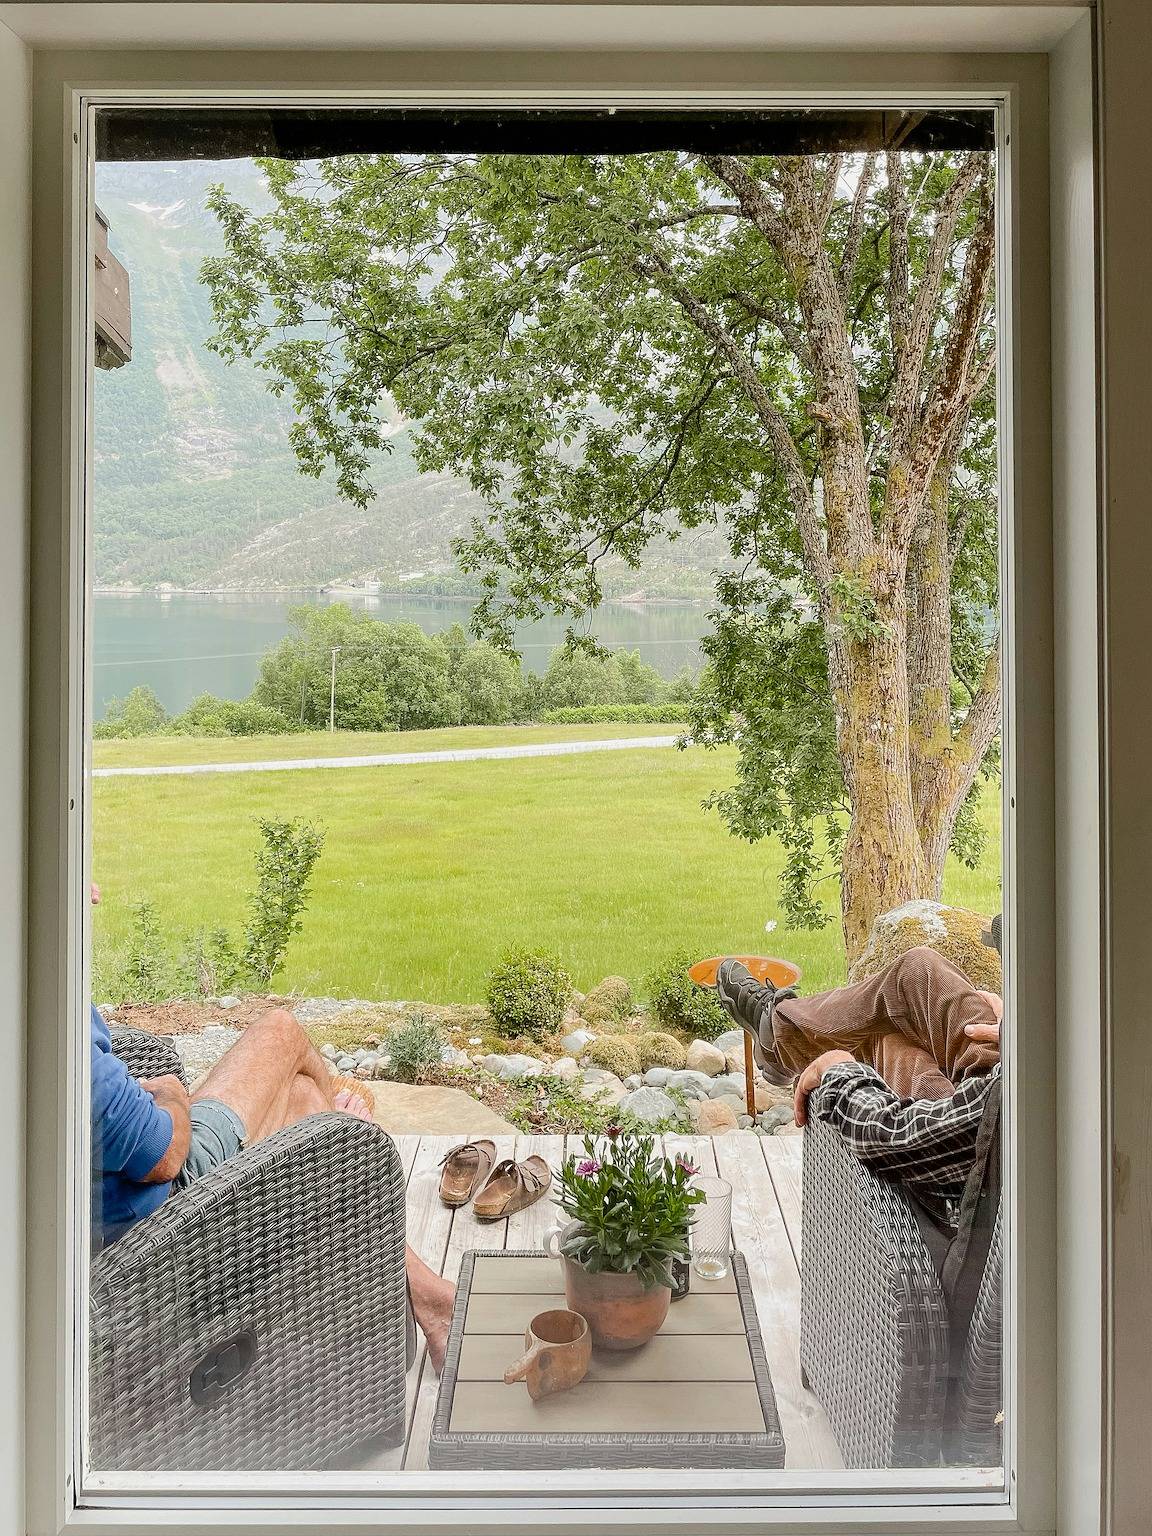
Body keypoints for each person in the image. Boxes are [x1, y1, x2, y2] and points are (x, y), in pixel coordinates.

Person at [90, 887, 455, 1370]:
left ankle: (417, 1287)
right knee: (283, 1033)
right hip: (160, 1215)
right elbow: (163, 1156)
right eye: (73, 877)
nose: (93, 894)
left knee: (302, 1100)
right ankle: (347, 1136)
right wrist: (172, 1093)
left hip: (101, 1202)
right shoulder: (53, 1016)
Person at [716, 945, 1003, 1215]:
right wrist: (1017, 1030)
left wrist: (839, 1073)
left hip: (975, 1170)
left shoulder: (1009, 1109)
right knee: (919, 969)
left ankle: (779, 1035)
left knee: (876, 1040)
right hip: (1005, 1069)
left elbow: (896, 1137)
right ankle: (778, 1034)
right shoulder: (1033, 1074)